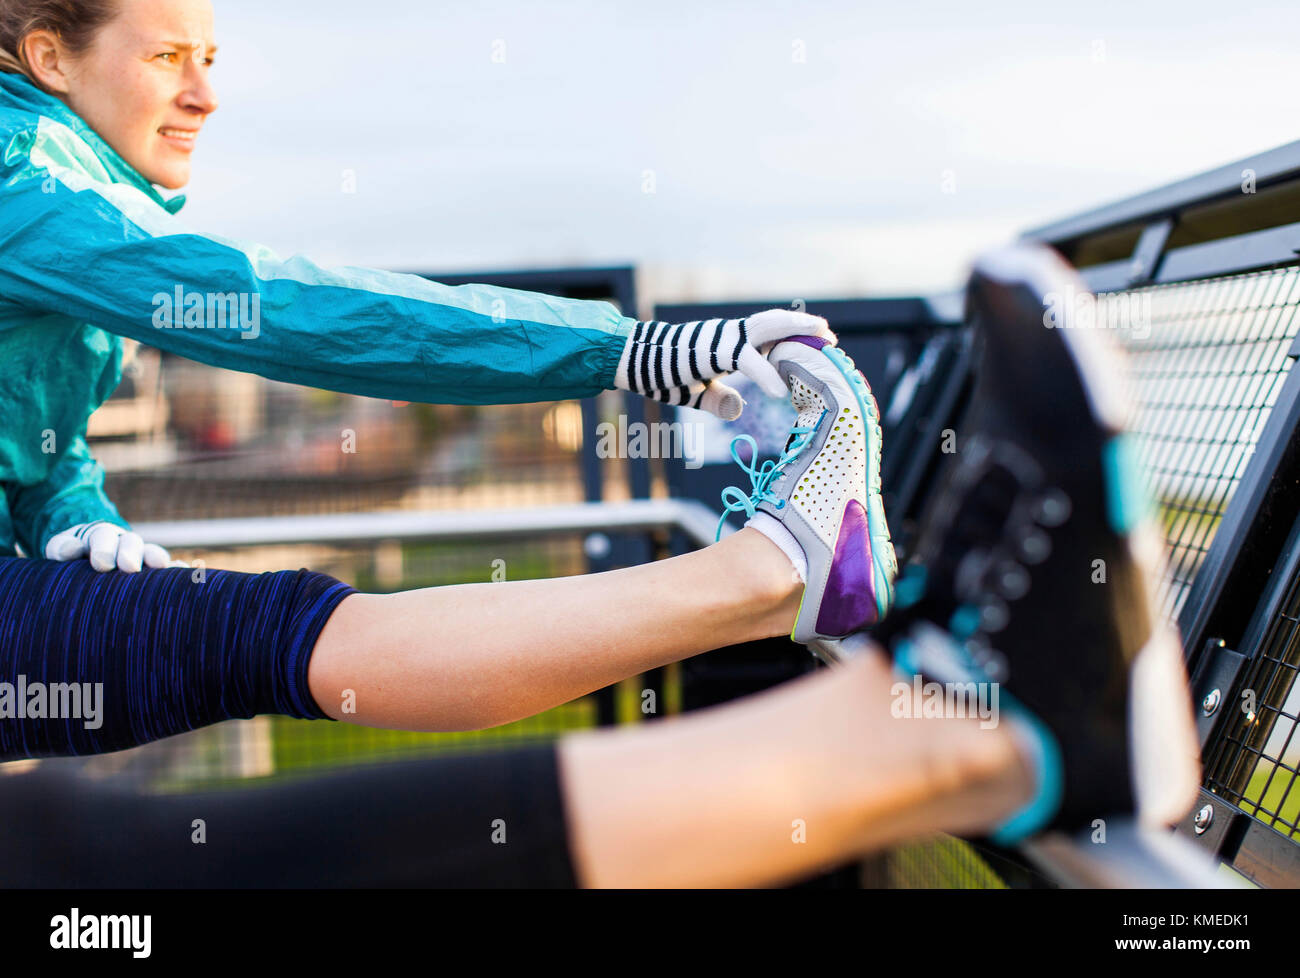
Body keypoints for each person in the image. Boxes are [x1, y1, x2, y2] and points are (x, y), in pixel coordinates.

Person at [0, 0, 1200, 888]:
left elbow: (39, 428)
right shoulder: (20, 179)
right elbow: (276, 304)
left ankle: (848, 636)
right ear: (51, 57)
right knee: (128, 808)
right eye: (167, 57)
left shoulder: (62, 193)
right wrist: (626, 350)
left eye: (212, 58)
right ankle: (820, 611)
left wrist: (70, 506)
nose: (206, 93)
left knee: (86, 847)